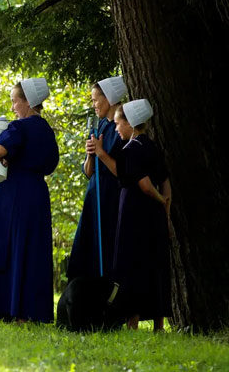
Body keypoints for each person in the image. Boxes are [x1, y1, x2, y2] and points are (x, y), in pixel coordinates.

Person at [0, 77, 59, 323]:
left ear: (28, 102)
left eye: (16, 101)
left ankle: (7, 309)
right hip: (37, 193)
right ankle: (30, 312)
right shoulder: (47, 130)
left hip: (13, 193)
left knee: (9, 248)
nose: (13, 107)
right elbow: (49, 164)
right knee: (32, 250)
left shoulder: (20, 127)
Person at [92, 99, 171, 331]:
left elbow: (145, 185)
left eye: (118, 124)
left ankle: (132, 322)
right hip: (154, 216)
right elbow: (165, 181)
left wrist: (159, 199)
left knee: (131, 265)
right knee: (155, 264)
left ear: (131, 124)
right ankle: (158, 323)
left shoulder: (131, 149)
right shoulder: (153, 146)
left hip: (134, 212)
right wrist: (165, 208)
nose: (116, 129)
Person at [67, 76, 127, 280]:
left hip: (111, 196)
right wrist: (91, 154)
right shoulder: (100, 125)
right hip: (94, 195)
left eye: (95, 100)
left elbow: (123, 171)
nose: (93, 105)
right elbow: (88, 171)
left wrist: (101, 153)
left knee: (108, 246)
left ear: (109, 98)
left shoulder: (121, 130)